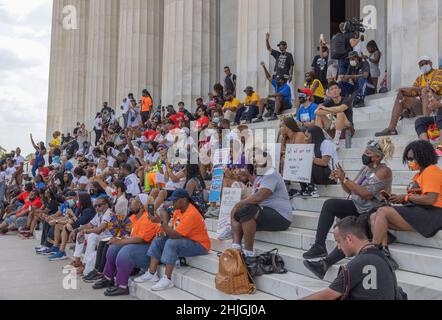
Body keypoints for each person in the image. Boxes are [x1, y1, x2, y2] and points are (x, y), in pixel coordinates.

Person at [303, 138, 395, 279]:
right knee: (330, 204)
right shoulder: (366, 169)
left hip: (373, 212)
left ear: (377, 156)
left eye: (368, 153)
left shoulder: (384, 171)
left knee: (353, 226)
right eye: (365, 151)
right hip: (359, 206)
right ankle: (319, 246)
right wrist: (342, 178)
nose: (364, 154)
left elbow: (367, 194)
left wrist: (345, 179)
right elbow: (351, 191)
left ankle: (324, 264)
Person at [371, 141, 442, 264]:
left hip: (433, 213)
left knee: (382, 211)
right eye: (408, 159)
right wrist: (398, 198)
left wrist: (405, 198)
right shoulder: (418, 175)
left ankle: (372, 251)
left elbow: (430, 199)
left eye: (411, 158)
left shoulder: (432, 170)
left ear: (422, 156)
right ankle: (384, 252)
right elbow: (414, 198)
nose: (409, 161)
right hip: (419, 211)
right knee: (374, 216)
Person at [303, 217, 398, 300]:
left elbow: (327, 296)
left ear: (349, 238)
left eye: (338, 241)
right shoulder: (383, 258)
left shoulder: (359, 263)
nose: (339, 247)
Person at [134, 189, 210, 291]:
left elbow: (175, 235)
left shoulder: (191, 214)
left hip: (200, 245)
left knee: (171, 243)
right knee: (159, 238)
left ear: (184, 200)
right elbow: (164, 210)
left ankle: (167, 279)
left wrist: (161, 222)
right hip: (186, 239)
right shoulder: (179, 209)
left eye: (175, 200)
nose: (172, 202)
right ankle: (152, 273)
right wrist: (162, 224)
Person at [228, 150, 292, 260]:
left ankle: (249, 254)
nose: (254, 162)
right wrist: (247, 175)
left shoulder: (271, 173)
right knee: (239, 210)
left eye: (256, 160)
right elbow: (255, 190)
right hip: (266, 212)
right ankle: (236, 247)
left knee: (246, 209)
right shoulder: (260, 177)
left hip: (281, 216)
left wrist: (239, 204)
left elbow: (259, 197)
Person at [93, 194, 161, 296]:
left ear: (141, 205)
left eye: (135, 200)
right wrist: (116, 231)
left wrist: (120, 241)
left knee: (125, 253)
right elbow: (124, 231)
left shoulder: (148, 217)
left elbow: (140, 239)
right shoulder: (134, 216)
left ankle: (122, 286)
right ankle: (108, 278)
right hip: (138, 247)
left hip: (150, 252)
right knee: (113, 248)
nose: (131, 201)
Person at [376, 56, 442, 136]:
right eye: (421, 65)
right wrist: (402, 91)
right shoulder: (420, 78)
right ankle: (391, 129)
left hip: (436, 103)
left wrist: (410, 88)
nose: (423, 66)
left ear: (430, 63)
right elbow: (413, 92)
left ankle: (426, 124)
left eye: (425, 63)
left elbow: (433, 88)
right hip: (423, 104)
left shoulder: (438, 72)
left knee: (425, 91)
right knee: (401, 97)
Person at [47, 192, 96, 261]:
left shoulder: (88, 210)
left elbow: (80, 222)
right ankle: (56, 247)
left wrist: (72, 215)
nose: (78, 200)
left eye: (79, 199)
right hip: (77, 227)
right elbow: (72, 219)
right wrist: (57, 221)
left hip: (84, 228)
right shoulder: (80, 207)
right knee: (59, 225)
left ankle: (61, 251)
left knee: (65, 227)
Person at [315, 81, 353, 148]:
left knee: (340, 113)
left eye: (335, 88)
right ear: (329, 93)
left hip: (347, 126)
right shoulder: (329, 102)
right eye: (331, 89)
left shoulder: (346, 99)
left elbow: (341, 109)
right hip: (335, 126)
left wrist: (325, 108)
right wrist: (332, 112)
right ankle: (321, 140)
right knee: (319, 116)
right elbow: (316, 112)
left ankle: (336, 141)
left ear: (340, 90)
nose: (334, 91)